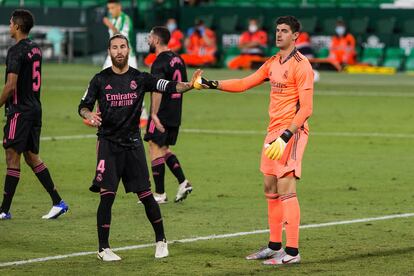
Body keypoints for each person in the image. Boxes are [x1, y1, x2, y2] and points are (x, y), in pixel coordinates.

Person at [196, 16, 313, 265]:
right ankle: (274, 246)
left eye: (284, 31)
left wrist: (286, 136)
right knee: (270, 188)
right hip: (273, 132)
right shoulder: (272, 62)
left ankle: (292, 252)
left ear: (295, 36)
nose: (279, 34)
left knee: (286, 189)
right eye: (277, 30)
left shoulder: (302, 65)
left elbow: (306, 109)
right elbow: (243, 83)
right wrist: (211, 84)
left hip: (292, 131)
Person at [78, 34, 201, 261]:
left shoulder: (141, 78)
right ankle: (103, 249)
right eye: (114, 47)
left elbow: (169, 85)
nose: (119, 51)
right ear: (109, 51)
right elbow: (83, 106)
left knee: (146, 195)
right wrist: (89, 114)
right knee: (107, 197)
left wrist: (190, 86)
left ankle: (161, 241)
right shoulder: (99, 79)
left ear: (128, 50)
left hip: (133, 145)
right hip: (108, 145)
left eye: (122, 47)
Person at [0, 9, 68, 220]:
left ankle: (3, 210)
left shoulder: (16, 51)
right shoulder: (35, 49)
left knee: (12, 156)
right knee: (31, 157)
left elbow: (11, 86)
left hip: (20, 111)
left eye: (11, 23)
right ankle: (58, 202)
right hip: (34, 108)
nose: (9, 26)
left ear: (18, 26)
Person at [143, 27, 192, 204]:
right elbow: (184, 85)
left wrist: (154, 113)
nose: (148, 40)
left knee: (154, 147)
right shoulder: (178, 59)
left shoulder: (158, 62)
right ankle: (183, 182)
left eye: (149, 37)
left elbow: (157, 88)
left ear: (156, 40)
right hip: (175, 110)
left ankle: (160, 194)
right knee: (163, 149)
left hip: (161, 111)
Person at [101, 0, 148, 127]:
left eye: (112, 8)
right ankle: (98, 114)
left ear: (119, 7)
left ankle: (143, 115)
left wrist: (110, 25)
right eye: (109, 8)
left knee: (133, 85)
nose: (110, 11)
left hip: (128, 56)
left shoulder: (125, 19)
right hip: (113, 56)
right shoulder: (114, 19)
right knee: (100, 81)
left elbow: (122, 39)